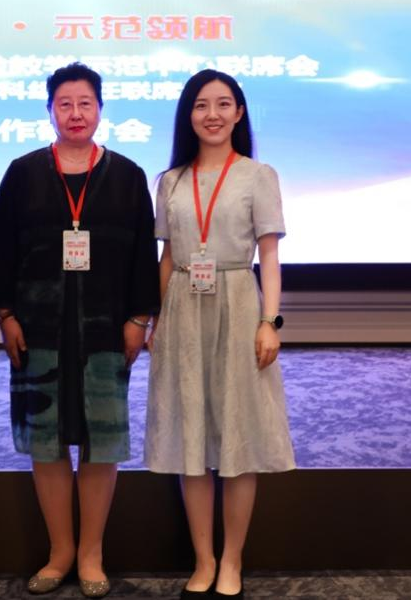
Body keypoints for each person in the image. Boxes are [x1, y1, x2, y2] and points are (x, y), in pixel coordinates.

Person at [0, 63, 160, 598]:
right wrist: (5, 315)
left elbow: (142, 255)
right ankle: (60, 551)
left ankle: (91, 553)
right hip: (37, 330)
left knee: (100, 444)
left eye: (85, 103)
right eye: (65, 103)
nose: (76, 113)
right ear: (49, 111)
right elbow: (2, 250)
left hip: (106, 331)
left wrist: (139, 319)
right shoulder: (23, 173)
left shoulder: (127, 175)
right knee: (46, 443)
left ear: (101, 109)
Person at [144, 70, 295, 598]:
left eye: (223, 104)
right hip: (183, 306)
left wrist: (269, 321)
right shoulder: (170, 180)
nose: (212, 114)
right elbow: (167, 257)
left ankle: (232, 560)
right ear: (188, 115)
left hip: (237, 304)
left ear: (239, 113)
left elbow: (270, 255)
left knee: (237, 436)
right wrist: (155, 320)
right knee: (190, 436)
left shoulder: (258, 175)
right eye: (201, 105)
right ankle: (203, 560)